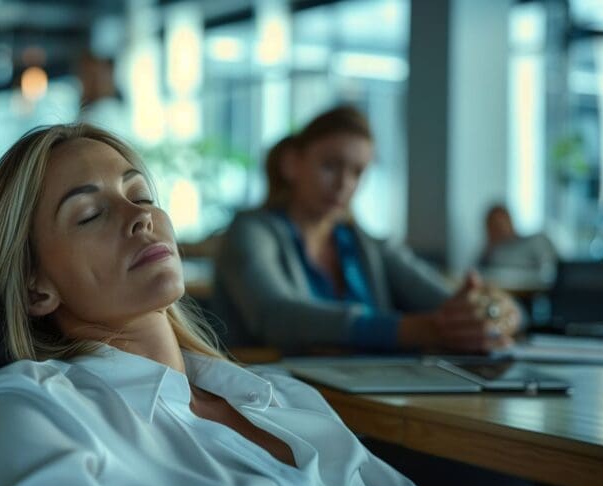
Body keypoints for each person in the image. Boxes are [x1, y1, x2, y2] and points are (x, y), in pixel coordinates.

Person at [0, 123, 431, 486]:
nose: (140, 216)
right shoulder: (35, 406)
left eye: (141, 195)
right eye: (89, 214)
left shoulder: (285, 395)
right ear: (35, 288)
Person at [215, 106, 521, 354]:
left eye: (357, 172)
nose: (343, 184)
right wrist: (414, 330)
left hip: (369, 396)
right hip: (273, 399)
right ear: (292, 164)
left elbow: (447, 301)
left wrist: (493, 312)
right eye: (330, 166)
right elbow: (276, 316)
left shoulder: (366, 245)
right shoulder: (251, 232)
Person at [478, 204, 557, 280]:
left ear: (510, 221)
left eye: (501, 223)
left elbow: (549, 272)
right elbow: (478, 274)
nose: (499, 229)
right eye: (494, 226)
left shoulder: (536, 241)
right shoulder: (492, 253)